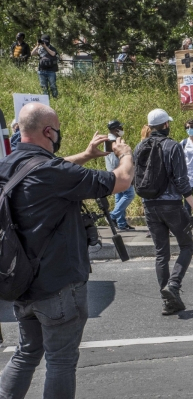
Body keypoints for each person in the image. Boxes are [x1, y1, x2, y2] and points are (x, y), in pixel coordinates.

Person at [0, 102, 134, 398]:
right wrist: (125, 155)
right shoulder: (54, 172)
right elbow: (122, 180)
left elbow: (45, 170)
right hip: (58, 286)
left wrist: (85, 155)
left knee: (26, 352)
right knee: (60, 361)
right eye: (57, 130)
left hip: (19, 281)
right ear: (49, 131)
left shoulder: (8, 166)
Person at [134, 109, 193, 316]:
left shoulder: (139, 147)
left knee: (161, 254)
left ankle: (168, 302)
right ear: (165, 125)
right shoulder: (172, 146)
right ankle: (173, 286)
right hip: (172, 206)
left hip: (149, 206)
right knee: (187, 246)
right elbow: (182, 180)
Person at [105, 120, 136, 231]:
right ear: (115, 129)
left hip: (114, 172)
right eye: (120, 128)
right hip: (119, 172)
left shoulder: (110, 140)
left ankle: (121, 223)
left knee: (119, 197)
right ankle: (112, 216)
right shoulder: (112, 142)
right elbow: (114, 160)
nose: (122, 130)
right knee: (129, 194)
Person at [32, 34, 59, 99]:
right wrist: (37, 45)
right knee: (43, 87)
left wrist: (45, 47)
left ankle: (55, 98)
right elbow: (32, 53)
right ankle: (46, 100)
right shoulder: (40, 49)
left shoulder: (52, 48)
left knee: (53, 86)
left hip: (51, 71)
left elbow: (53, 54)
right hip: (41, 71)